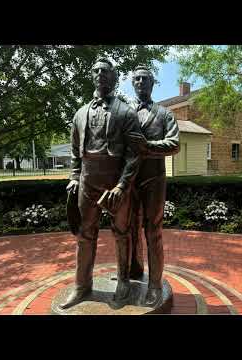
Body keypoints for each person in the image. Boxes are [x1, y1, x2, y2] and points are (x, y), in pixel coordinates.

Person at [59, 58, 142, 310]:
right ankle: (82, 286)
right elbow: (75, 151)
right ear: (91, 76)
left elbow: (134, 154)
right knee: (85, 235)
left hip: (115, 180)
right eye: (95, 71)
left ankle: (124, 282)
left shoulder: (125, 112)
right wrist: (74, 176)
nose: (99, 74)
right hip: (87, 180)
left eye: (105, 71)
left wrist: (121, 186)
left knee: (121, 234)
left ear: (114, 77)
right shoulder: (80, 113)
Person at [126, 65, 180, 307]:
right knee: (129, 229)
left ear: (153, 83)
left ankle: (155, 284)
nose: (140, 82)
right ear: (132, 83)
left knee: (153, 232)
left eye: (145, 79)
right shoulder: (125, 113)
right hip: (129, 180)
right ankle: (134, 271)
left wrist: (148, 146)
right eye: (136, 79)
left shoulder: (164, 114)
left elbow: (174, 144)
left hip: (153, 180)